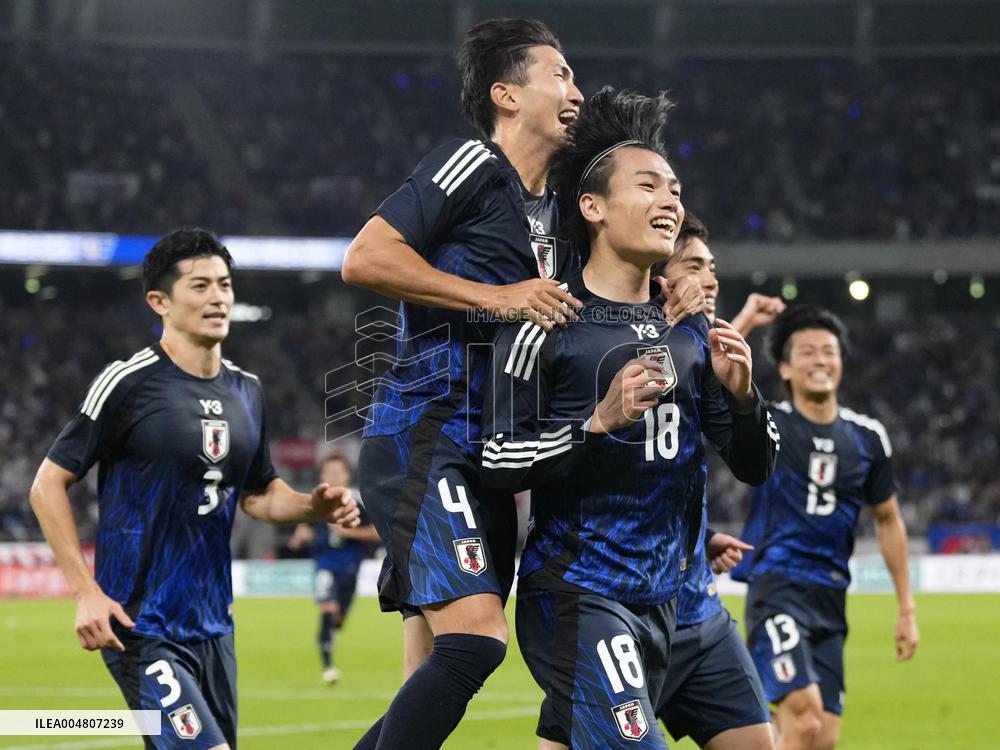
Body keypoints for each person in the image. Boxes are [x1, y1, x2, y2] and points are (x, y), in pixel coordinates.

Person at [482, 86, 779, 750]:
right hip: (580, 597)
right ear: (593, 207)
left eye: (675, 189)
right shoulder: (546, 322)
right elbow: (496, 460)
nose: (671, 201)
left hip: (682, 605)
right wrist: (594, 424)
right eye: (648, 186)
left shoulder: (692, 330)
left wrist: (744, 398)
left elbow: (755, 467)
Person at [342, 18, 587, 750]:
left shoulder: (567, 209)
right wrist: (502, 296)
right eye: (561, 74)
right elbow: (365, 258)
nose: (576, 91)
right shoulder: (470, 164)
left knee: (433, 666)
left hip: (496, 456)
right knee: (477, 641)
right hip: (426, 432)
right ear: (506, 94)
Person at [29, 229, 360, 750]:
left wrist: (310, 507)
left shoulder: (247, 390)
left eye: (224, 285)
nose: (218, 297)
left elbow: (258, 493)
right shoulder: (128, 383)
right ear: (159, 302)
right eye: (201, 285)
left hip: (213, 626)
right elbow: (48, 483)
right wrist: (84, 592)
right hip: (138, 623)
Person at [730, 305, 919, 750]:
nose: (819, 360)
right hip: (776, 589)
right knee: (805, 717)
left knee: (823, 738)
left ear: (841, 362)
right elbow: (711, 388)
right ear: (785, 367)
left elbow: (888, 519)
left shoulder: (867, 437)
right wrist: (743, 325)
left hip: (830, 598)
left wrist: (906, 608)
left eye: (829, 351)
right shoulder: (768, 421)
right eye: (808, 352)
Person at [653, 213, 786, 750]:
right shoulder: (600, 340)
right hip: (620, 609)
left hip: (697, 612)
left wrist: (745, 395)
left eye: (712, 268)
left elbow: (751, 463)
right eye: (693, 266)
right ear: (659, 275)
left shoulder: (700, 347)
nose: (709, 281)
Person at [289, 453, 380, 684]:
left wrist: (348, 532)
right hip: (324, 564)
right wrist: (301, 536)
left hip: (350, 566)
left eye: (338, 472)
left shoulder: (359, 502)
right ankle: (328, 667)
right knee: (327, 609)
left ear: (347, 475)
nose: (333, 476)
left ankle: (333, 629)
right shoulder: (318, 502)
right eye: (329, 472)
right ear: (322, 475)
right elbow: (307, 527)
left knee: (338, 618)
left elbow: (377, 533)